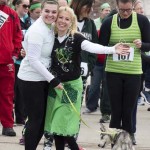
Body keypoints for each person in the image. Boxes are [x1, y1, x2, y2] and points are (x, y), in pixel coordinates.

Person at [44, 6, 130, 150]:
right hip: (54, 86)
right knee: (57, 127)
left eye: (67, 19)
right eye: (61, 17)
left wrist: (112, 49)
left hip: (70, 87)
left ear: (72, 22)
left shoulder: (76, 37)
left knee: (62, 124)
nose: (63, 21)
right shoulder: (50, 36)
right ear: (56, 18)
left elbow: (92, 47)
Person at [99, 0, 150, 147]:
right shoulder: (109, 22)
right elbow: (101, 46)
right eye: (122, 10)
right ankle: (114, 142)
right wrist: (113, 47)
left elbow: (149, 44)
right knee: (116, 110)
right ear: (117, 7)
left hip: (133, 72)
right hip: (113, 71)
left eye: (128, 9)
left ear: (133, 7)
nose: (125, 13)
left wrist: (142, 44)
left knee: (128, 110)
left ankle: (127, 142)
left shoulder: (142, 20)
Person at [17, 0, 60, 150]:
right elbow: (33, 60)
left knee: (41, 122)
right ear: (41, 11)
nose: (50, 14)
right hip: (30, 79)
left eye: (54, 12)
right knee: (36, 120)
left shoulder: (51, 27)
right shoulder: (37, 30)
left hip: (43, 78)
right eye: (47, 11)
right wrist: (53, 79)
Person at [0, 0, 22, 136]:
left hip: (6, 62)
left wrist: (14, 55)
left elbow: (18, 35)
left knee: (7, 95)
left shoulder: (12, 14)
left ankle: (7, 125)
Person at [13, 0, 31, 125]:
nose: (27, 8)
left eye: (28, 6)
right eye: (25, 6)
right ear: (17, 5)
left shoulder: (28, 21)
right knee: (10, 92)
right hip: (12, 59)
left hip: (23, 62)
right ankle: (8, 118)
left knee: (21, 91)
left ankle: (20, 118)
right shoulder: (11, 18)